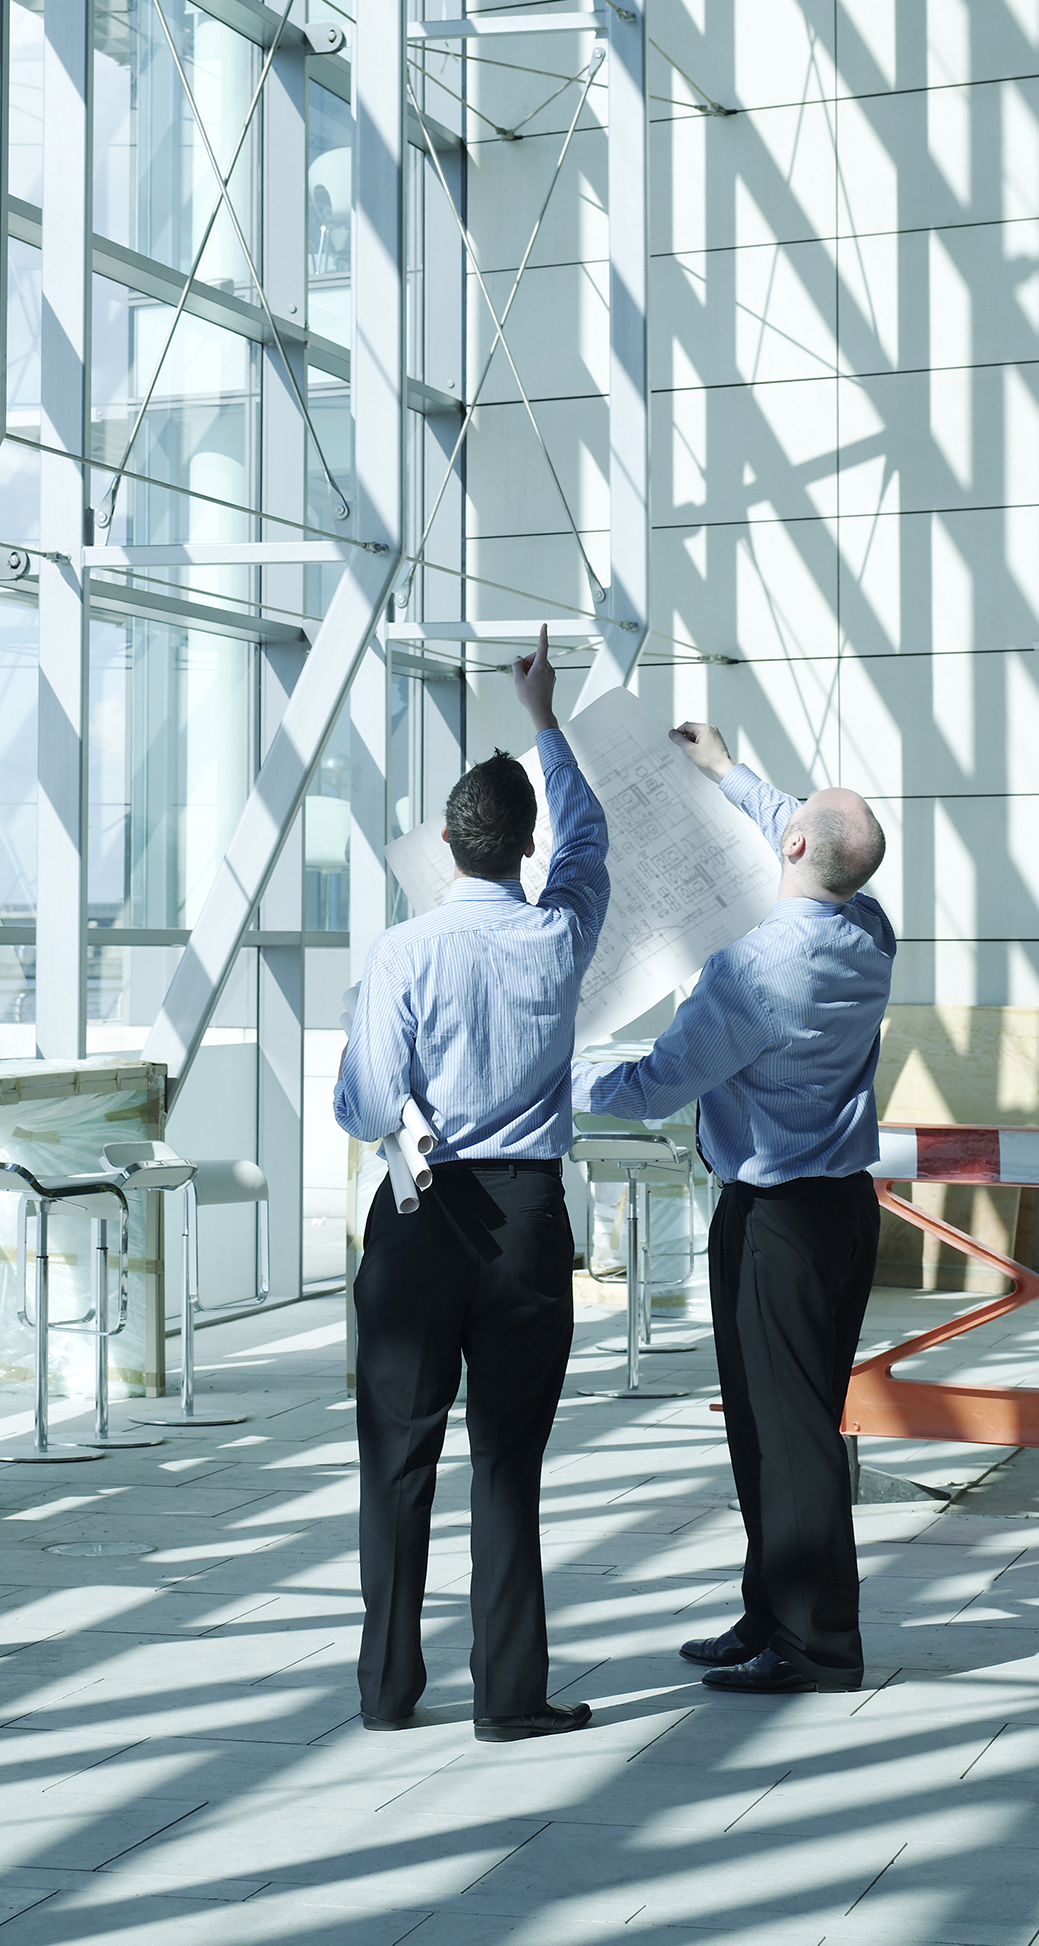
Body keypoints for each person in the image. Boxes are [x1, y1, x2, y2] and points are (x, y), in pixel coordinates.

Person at [575, 722, 893, 1696]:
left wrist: (548, 1073)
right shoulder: (870, 931)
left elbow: (651, 1086)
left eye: (790, 819)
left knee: (786, 1437)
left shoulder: (749, 971)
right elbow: (809, 837)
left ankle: (816, 1644)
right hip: (842, 1212)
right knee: (774, 1424)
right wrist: (725, 772)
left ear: (793, 845)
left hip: (774, 1223)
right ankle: (770, 1612)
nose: (781, 819)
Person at [334, 625, 609, 1741]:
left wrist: (377, 1097)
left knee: (397, 1462)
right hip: (528, 1223)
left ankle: (387, 1690)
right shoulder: (561, 932)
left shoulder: (402, 951)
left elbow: (365, 1103)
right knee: (507, 1463)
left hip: (420, 1216)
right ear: (526, 848)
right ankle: (508, 1695)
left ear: (446, 842)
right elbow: (590, 836)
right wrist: (544, 718)